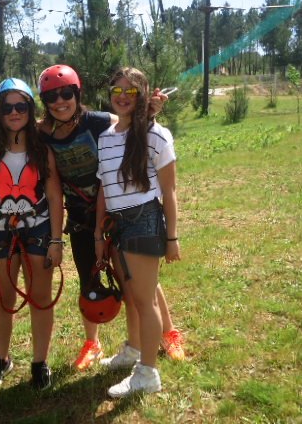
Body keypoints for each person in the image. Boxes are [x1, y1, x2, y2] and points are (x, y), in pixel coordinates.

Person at [0, 65, 184, 371]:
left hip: (114, 211)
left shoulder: (99, 121)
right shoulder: (42, 133)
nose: (60, 101)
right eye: (52, 97)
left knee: (137, 281)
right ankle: (92, 343)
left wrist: (148, 110)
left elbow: (131, 121)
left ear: (76, 94)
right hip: (80, 218)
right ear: (44, 102)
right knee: (89, 278)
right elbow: (17, 130)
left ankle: (168, 332)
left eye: (66, 94)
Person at [0, 78, 63, 391]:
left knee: (40, 298)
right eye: (7, 107)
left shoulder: (42, 151)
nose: (14, 112)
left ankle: (40, 362)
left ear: (29, 109)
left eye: (21, 106)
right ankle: (1, 360)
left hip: (38, 231)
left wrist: (56, 241)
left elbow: (55, 197)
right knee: (2, 298)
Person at [94, 66, 181, 398]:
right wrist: (98, 234)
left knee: (145, 301)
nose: (122, 96)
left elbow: (169, 192)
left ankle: (147, 373)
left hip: (144, 220)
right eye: (116, 90)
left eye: (130, 91)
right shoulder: (105, 137)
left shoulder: (156, 136)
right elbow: (104, 189)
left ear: (143, 95)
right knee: (131, 296)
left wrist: (172, 238)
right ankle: (133, 350)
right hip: (117, 225)